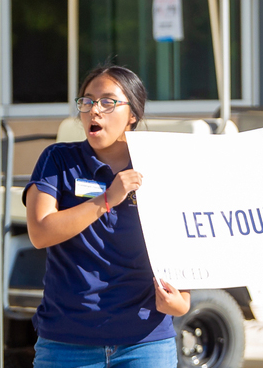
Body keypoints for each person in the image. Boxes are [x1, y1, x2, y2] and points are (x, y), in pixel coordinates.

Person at [23, 65, 189, 367]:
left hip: (145, 344)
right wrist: (107, 199)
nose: (94, 111)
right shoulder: (57, 159)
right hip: (66, 344)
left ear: (133, 114)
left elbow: (184, 236)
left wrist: (182, 301)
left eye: (107, 102)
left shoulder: (161, 165)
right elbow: (40, 232)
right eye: (87, 101)